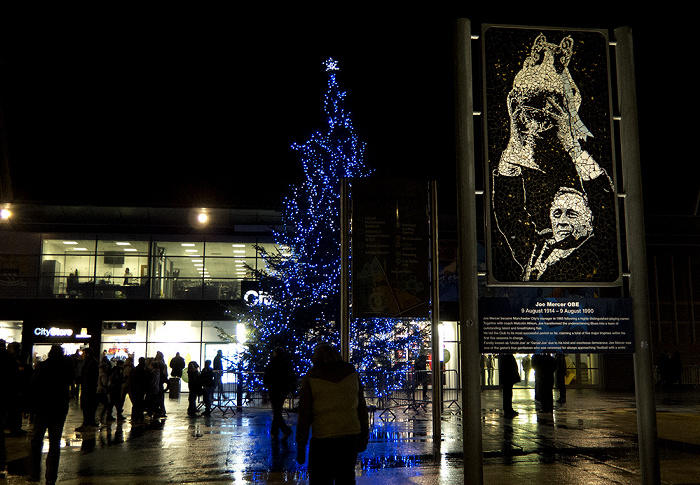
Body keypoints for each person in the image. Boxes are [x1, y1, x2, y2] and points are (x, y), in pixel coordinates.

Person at [296, 343, 369, 484]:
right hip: (349, 436)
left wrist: (301, 444)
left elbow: (304, 414)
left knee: (320, 479)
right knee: (346, 478)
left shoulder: (312, 377)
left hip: (323, 438)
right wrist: (364, 435)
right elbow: (361, 408)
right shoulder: (351, 373)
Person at [28, 344, 74, 485]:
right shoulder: (66, 368)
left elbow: (33, 386)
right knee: (55, 443)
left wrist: (30, 407)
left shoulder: (43, 367)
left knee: (37, 441)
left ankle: (34, 473)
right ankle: (50, 477)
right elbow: (71, 382)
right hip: (59, 408)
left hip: (43, 408)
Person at [263, 347, 295, 439]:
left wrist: (267, 385)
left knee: (276, 411)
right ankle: (276, 431)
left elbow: (267, 376)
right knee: (277, 410)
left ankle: (283, 430)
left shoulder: (272, 364)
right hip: (283, 389)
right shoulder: (285, 364)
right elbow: (290, 376)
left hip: (274, 390)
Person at [78, 347, 99, 429]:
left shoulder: (90, 363)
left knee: (87, 405)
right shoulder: (91, 363)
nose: (82, 355)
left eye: (83, 353)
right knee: (89, 406)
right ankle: (90, 421)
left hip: (88, 388)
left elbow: (88, 377)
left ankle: (87, 422)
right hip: (89, 388)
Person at [128, 357, 150, 423]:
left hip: (136, 388)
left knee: (136, 403)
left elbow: (132, 379)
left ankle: (135, 417)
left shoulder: (136, 369)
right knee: (140, 403)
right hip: (141, 388)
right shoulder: (144, 369)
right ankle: (139, 416)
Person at [498, 353, 521, 418]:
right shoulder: (507, 356)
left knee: (507, 394)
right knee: (508, 394)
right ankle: (508, 410)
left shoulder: (504, 356)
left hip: (507, 378)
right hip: (508, 378)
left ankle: (508, 409)